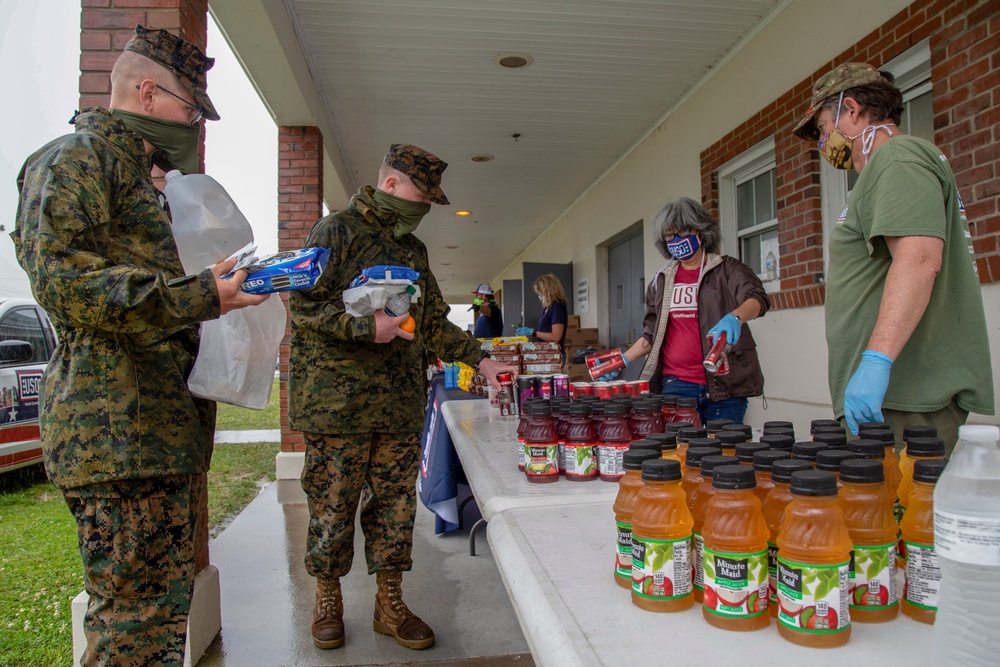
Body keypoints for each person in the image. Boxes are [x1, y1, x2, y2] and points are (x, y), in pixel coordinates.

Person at [11, 25, 268, 666]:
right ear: (148, 92)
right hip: (113, 434)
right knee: (131, 625)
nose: (194, 125)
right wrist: (202, 294)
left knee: (157, 622)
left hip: (156, 430)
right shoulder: (72, 162)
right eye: (190, 109)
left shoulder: (143, 182)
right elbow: (65, 284)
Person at [289, 144, 516, 651]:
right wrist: (363, 327)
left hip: (397, 404)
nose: (426, 207)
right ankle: (328, 601)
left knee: (393, 509)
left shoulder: (413, 251)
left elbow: (433, 320)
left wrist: (480, 359)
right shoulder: (335, 232)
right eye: (421, 194)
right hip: (336, 404)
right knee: (331, 505)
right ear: (390, 185)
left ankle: (389, 603)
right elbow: (303, 308)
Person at [792, 62, 994, 449]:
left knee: (900, 507)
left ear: (851, 110)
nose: (823, 143)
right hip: (892, 402)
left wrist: (876, 363)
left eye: (822, 129)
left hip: (906, 398)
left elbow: (919, 260)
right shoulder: (884, 170)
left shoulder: (898, 158)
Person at [609, 197, 769, 425]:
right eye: (669, 235)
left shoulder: (727, 269)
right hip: (677, 386)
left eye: (683, 231)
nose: (677, 240)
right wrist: (623, 360)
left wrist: (735, 317)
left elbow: (757, 298)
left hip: (725, 383)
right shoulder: (661, 281)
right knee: (681, 453)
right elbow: (652, 335)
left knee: (723, 453)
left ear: (701, 230)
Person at [516, 273, 569, 357]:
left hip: (554, 355)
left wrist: (533, 332)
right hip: (546, 353)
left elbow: (556, 337)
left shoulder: (557, 307)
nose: (540, 296)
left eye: (540, 293)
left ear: (548, 291)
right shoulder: (548, 308)